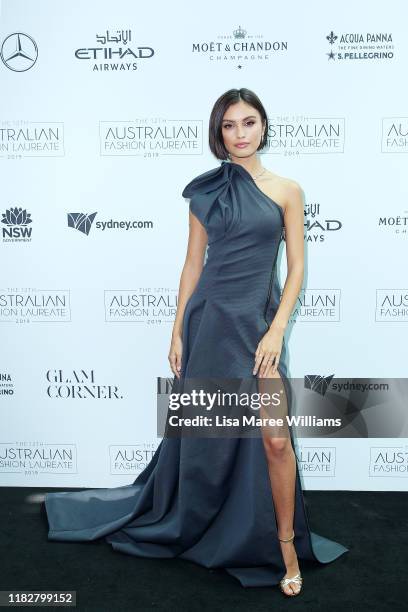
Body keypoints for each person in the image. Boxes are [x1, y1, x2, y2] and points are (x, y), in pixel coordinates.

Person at [43, 87, 348, 597]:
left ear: (264, 126)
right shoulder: (204, 192)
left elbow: (296, 271)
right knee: (209, 434)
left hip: (258, 324)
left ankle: (287, 542)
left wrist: (276, 329)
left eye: (248, 123)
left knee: (274, 440)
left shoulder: (287, 190)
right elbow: (192, 265)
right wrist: (177, 327)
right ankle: (205, 522)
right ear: (218, 132)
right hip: (210, 321)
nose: (240, 134)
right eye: (229, 125)